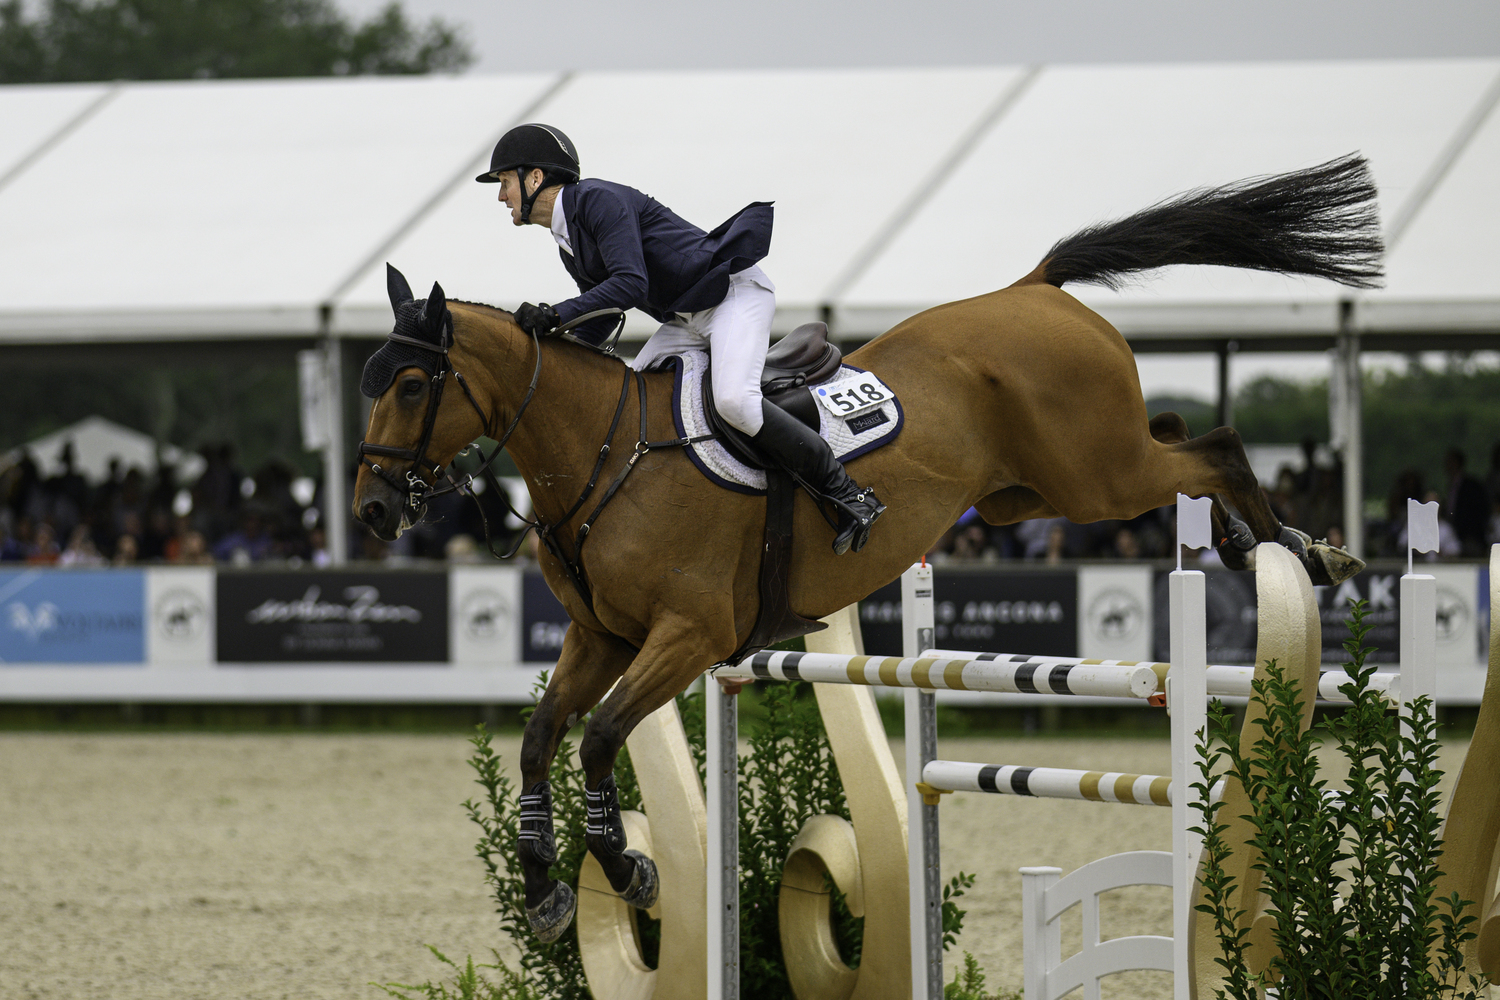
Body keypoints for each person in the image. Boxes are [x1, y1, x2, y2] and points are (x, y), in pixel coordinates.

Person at [476, 123, 883, 555]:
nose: (502, 196)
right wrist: (549, 356)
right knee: (631, 399)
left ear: (534, 178)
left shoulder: (598, 200)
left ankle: (850, 494)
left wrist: (554, 314)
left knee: (734, 402)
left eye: (504, 182)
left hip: (732, 297)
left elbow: (629, 284)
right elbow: (602, 316)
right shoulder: (566, 237)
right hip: (687, 319)